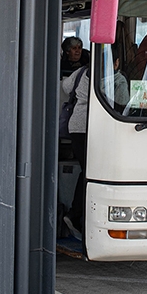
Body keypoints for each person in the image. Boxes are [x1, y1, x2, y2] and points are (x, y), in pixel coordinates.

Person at [62, 63, 90, 240]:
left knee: (85, 168)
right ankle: (75, 214)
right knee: (89, 170)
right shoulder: (112, 76)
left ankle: (76, 214)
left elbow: (66, 87)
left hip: (76, 126)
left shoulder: (81, 71)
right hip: (90, 127)